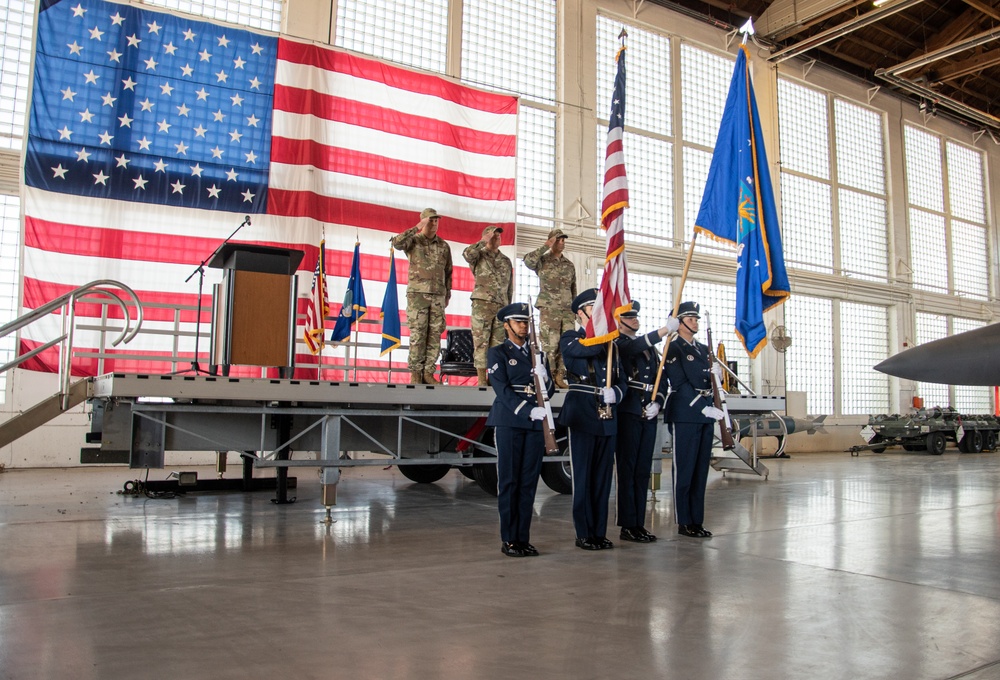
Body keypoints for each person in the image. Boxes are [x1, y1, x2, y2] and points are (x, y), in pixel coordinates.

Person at [559, 288, 627, 551]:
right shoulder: (570, 338)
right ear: (580, 313)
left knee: (602, 478)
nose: (601, 313)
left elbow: (621, 380)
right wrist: (608, 334)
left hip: (607, 413)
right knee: (584, 477)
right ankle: (584, 532)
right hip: (583, 414)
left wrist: (617, 393)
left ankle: (599, 531)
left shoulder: (613, 346)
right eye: (594, 308)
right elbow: (585, 351)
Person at [486, 302, 555, 557]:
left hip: (535, 424)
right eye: (518, 322)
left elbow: (550, 391)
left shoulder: (539, 355)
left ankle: (523, 538)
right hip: (510, 420)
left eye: (526, 322)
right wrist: (527, 410)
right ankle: (509, 539)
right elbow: (502, 390)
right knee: (509, 481)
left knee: (528, 482)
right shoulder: (498, 353)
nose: (524, 326)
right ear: (507, 325)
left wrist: (545, 378)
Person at [614, 301, 679, 543]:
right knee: (627, 469)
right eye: (629, 317)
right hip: (629, 410)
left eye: (635, 317)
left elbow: (661, 378)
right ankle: (627, 524)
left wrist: (658, 401)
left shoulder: (650, 349)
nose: (634, 320)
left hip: (648, 412)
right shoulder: (618, 344)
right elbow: (632, 348)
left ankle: (638, 523)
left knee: (643, 471)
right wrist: (663, 331)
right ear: (619, 322)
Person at [661, 301, 725, 538]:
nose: (695, 322)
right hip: (686, 413)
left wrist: (716, 379)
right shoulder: (673, 347)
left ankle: (696, 519)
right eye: (690, 318)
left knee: (700, 471)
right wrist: (701, 407)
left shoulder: (701, 348)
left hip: (706, 413)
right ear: (678, 323)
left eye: (696, 319)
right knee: (685, 469)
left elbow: (708, 383)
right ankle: (683, 520)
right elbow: (678, 383)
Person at [392, 208, 453, 385]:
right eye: (430, 220)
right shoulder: (413, 241)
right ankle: (415, 373)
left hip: (438, 296)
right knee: (418, 334)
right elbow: (397, 242)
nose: (434, 223)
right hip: (418, 295)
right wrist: (416, 227)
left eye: (436, 220)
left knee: (434, 335)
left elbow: (448, 271)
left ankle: (428, 372)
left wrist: (447, 293)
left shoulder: (443, 246)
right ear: (423, 221)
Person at [523, 228, 576, 389]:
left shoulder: (569, 265)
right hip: (549, 309)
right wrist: (545, 246)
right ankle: (550, 376)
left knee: (567, 344)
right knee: (550, 345)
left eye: (563, 240)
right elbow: (528, 261)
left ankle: (561, 376)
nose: (562, 242)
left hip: (567, 310)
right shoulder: (542, 260)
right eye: (558, 240)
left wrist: (575, 309)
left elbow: (573, 288)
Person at [463, 225, 513, 386]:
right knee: (481, 341)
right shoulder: (479, 255)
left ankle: (494, 376)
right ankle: (481, 378)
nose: (497, 238)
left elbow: (509, 287)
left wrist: (508, 308)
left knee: (498, 345)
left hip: (500, 306)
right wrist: (483, 241)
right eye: (493, 235)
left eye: (498, 236)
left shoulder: (505, 260)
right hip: (482, 304)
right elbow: (467, 254)